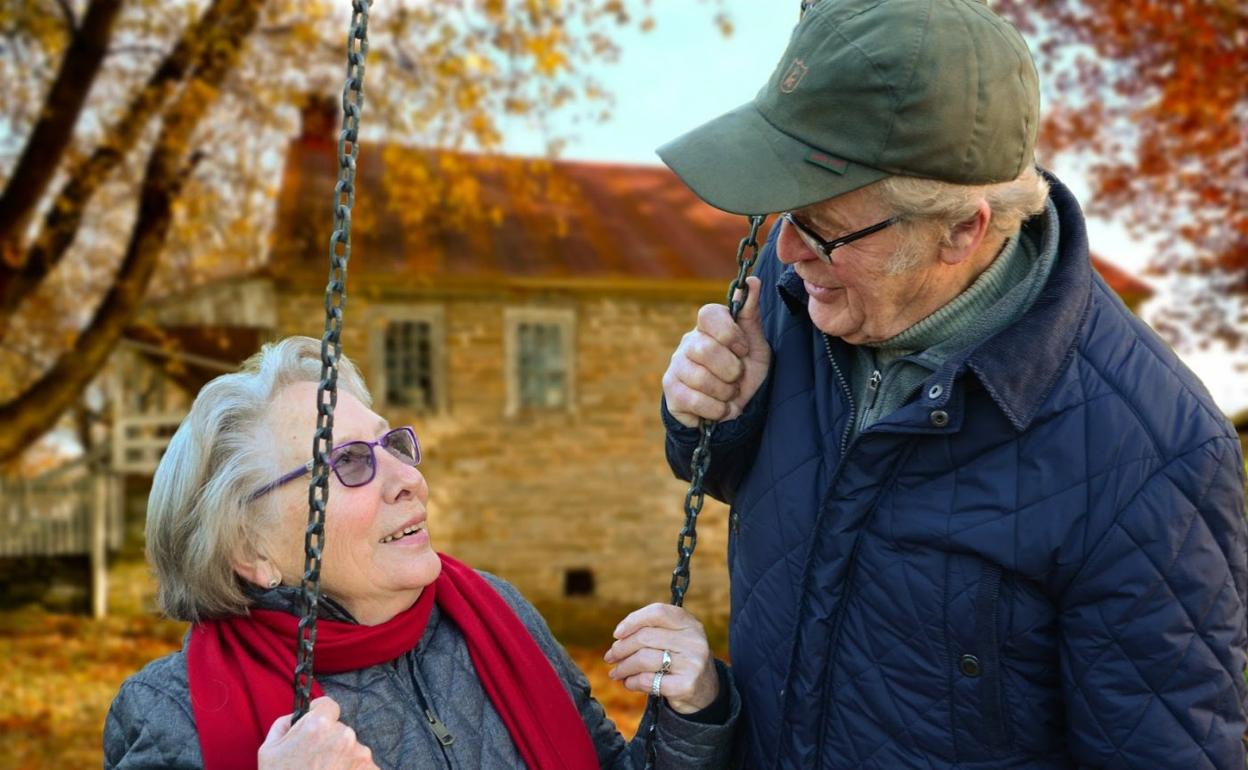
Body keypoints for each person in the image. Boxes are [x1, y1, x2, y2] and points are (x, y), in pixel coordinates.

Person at [656, 0, 1248, 768]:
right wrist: (711, 417)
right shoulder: (802, 287)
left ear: (962, 231)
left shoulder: (1153, 456)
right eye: (782, 214)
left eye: (824, 227)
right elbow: (755, 487)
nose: (789, 248)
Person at [104, 336, 738, 769]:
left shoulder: (494, 615)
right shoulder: (171, 712)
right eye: (349, 463)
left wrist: (692, 712)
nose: (407, 477)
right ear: (250, 549)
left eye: (392, 445)